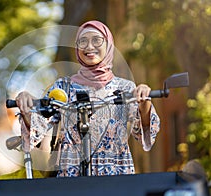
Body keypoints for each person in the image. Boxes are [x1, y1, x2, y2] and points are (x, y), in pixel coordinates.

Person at [15, 20, 160, 177]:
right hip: (72, 175)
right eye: (83, 41)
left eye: (97, 40)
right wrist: (26, 105)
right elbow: (38, 126)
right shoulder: (63, 87)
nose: (89, 47)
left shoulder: (125, 88)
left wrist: (144, 101)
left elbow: (144, 133)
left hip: (115, 175)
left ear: (109, 45)